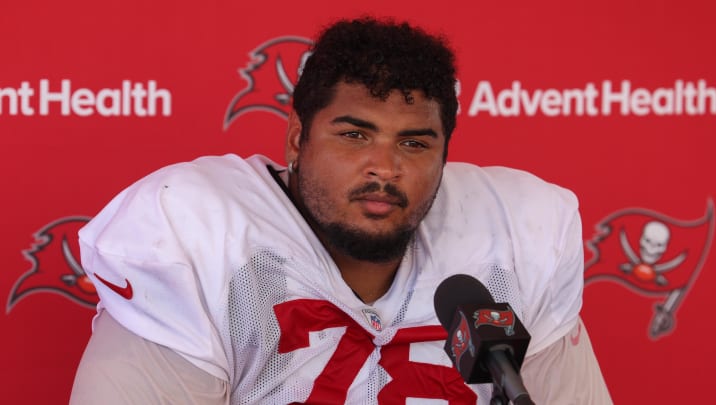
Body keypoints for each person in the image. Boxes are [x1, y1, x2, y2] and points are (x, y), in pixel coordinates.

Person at [70, 17, 612, 404]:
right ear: (297, 140)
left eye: (415, 143)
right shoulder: (196, 235)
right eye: (354, 135)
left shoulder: (516, 237)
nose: (384, 167)